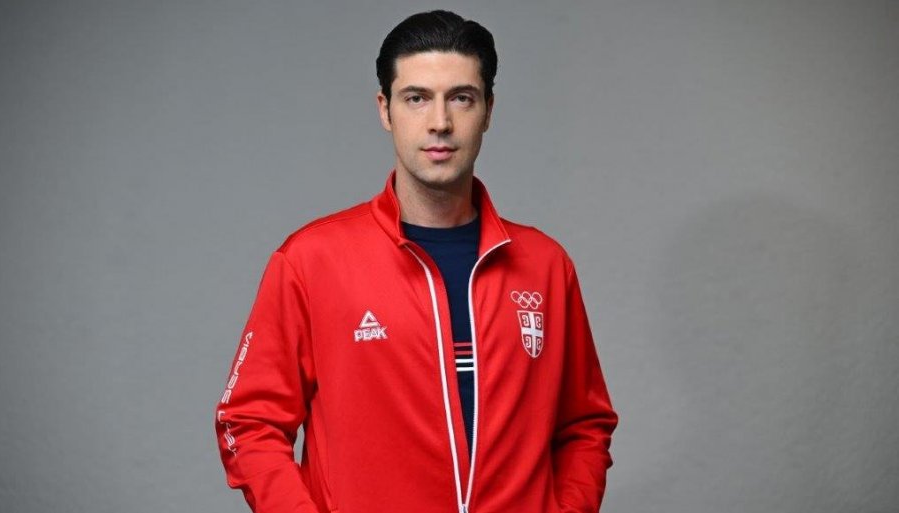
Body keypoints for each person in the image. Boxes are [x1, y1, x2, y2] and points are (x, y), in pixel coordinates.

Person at [214, 10, 617, 513]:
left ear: (488, 111)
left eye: (461, 98)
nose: (440, 122)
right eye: (417, 98)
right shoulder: (312, 261)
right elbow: (248, 422)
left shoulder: (545, 266)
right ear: (385, 110)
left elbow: (584, 425)